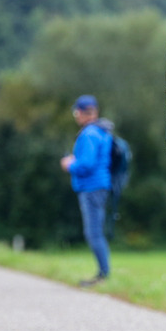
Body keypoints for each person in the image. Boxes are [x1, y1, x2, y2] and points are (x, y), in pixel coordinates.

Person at [60, 94, 114, 286]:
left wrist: (69, 164)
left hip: (92, 187)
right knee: (95, 231)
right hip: (99, 186)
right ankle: (103, 274)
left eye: (76, 113)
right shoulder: (101, 131)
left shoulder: (89, 134)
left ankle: (103, 275)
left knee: (93, 233)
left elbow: (86, 164)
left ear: (81, 113)